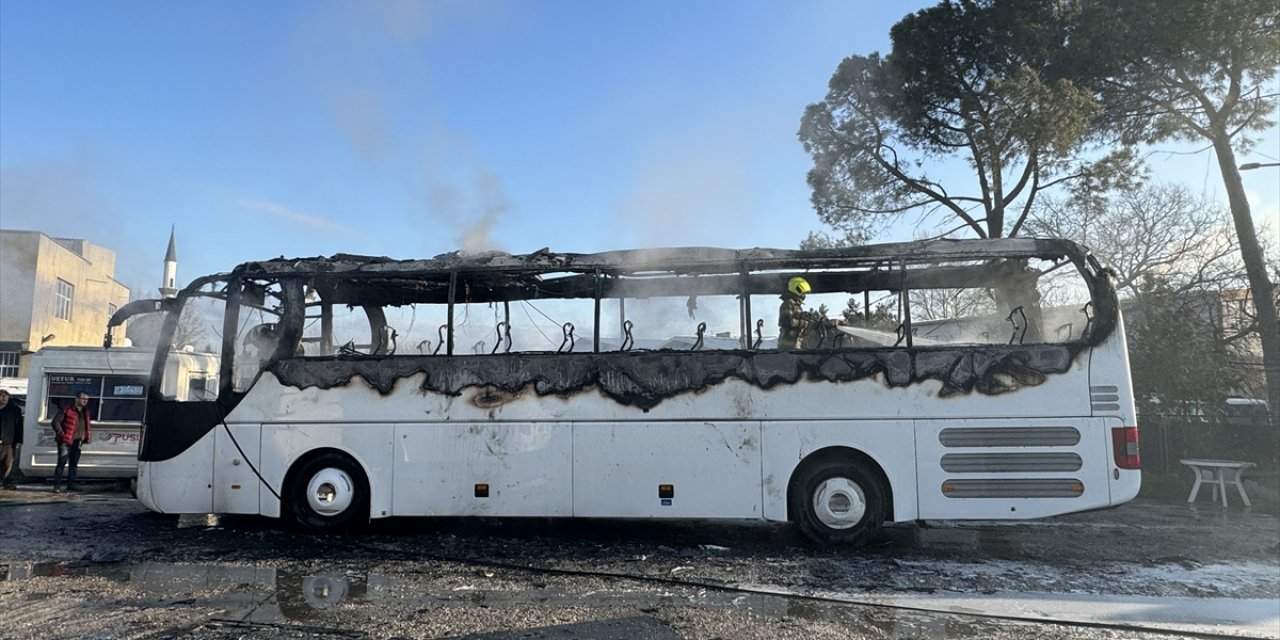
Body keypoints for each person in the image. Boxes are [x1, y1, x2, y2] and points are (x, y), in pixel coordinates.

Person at [53, 391, 92, 493]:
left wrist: (86, 437)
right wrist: (62, 434)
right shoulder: (66, 410)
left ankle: (71, 484)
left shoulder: (85, 412)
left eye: (87, 399)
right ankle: (57, 485)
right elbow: (55, 422)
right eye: (83, 399)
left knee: (74, 464)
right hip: (66, 441)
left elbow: (87, 425)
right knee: (61, 463)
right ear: (77, 399)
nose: (85, 401)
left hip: (78, 441)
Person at [778, 276, 811, 350]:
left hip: (795, 343)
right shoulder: (788, 303)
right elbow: (788, 322)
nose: (804, 296)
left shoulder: (796, 306)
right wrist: (804, 323)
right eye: (802, 293)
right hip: (787, 344)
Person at [0, 389, 23, 489]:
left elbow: (19, 426)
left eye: (6, 396)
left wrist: (19, 440)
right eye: (1, 395)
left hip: (9, 441)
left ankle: (5, 481)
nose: (4, 398)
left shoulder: (14, 410)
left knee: (8, 462)